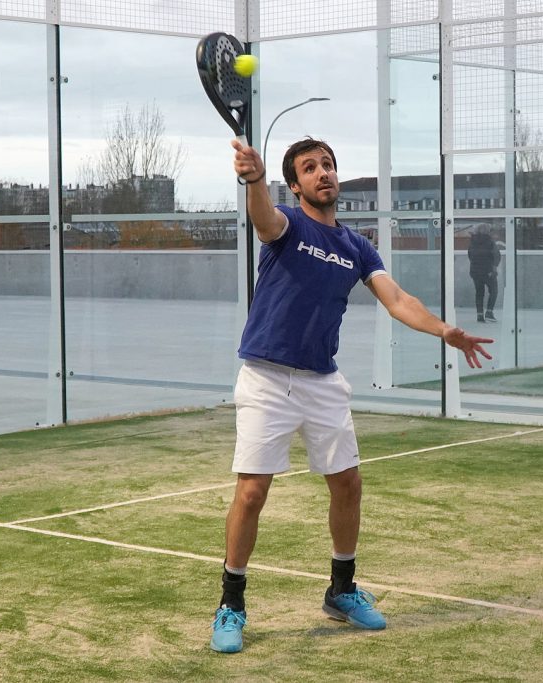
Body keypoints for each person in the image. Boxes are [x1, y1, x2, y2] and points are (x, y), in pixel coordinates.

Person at [211, 136, 494, 653]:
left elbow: (399, 299)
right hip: (267, 378)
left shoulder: (357, 247)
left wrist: (444, 330)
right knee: (252, 492)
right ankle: (232, 602)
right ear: (294, 185)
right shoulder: (285, 225)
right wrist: (253, 180)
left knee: (348, 485)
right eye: (310, 168)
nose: (324, 174)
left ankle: (341, 590)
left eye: (329, 165)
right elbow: (262, 219)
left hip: (323, 380)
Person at [467, 225, 501, 322]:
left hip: (475, 272)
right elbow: (496, 255)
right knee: (494, 290)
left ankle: (480, 315)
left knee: (479, 293)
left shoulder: (472, 242)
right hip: (488, 271)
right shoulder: (490, 242)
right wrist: (494, 267)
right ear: (487, 231)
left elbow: (470, 255)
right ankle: (489, 312)